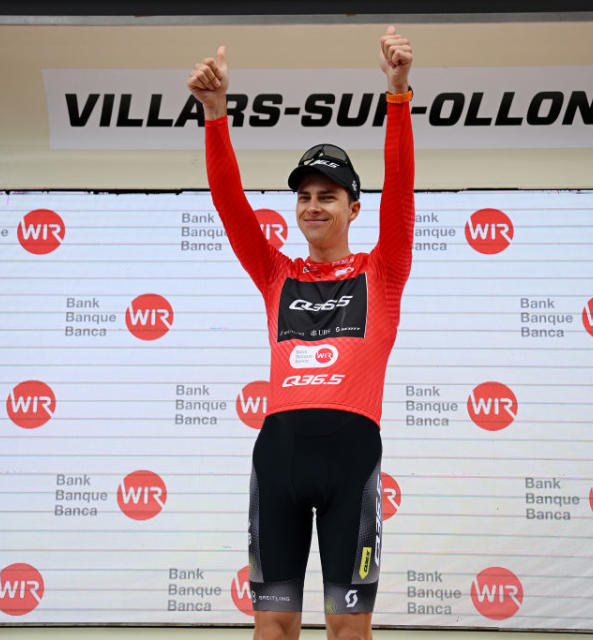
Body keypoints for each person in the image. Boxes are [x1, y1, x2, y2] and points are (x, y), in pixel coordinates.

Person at [187, 25, 414, 640]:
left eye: (329, 196)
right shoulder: (275, 272)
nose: (314, 206)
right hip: (280, 457)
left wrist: (397, 96)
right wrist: (215, 115)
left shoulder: (382, 271)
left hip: (352, 462)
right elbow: (230, 202)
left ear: (353, 207)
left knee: (348, 631)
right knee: (275, 626)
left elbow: (401, 193)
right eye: (305, 196)